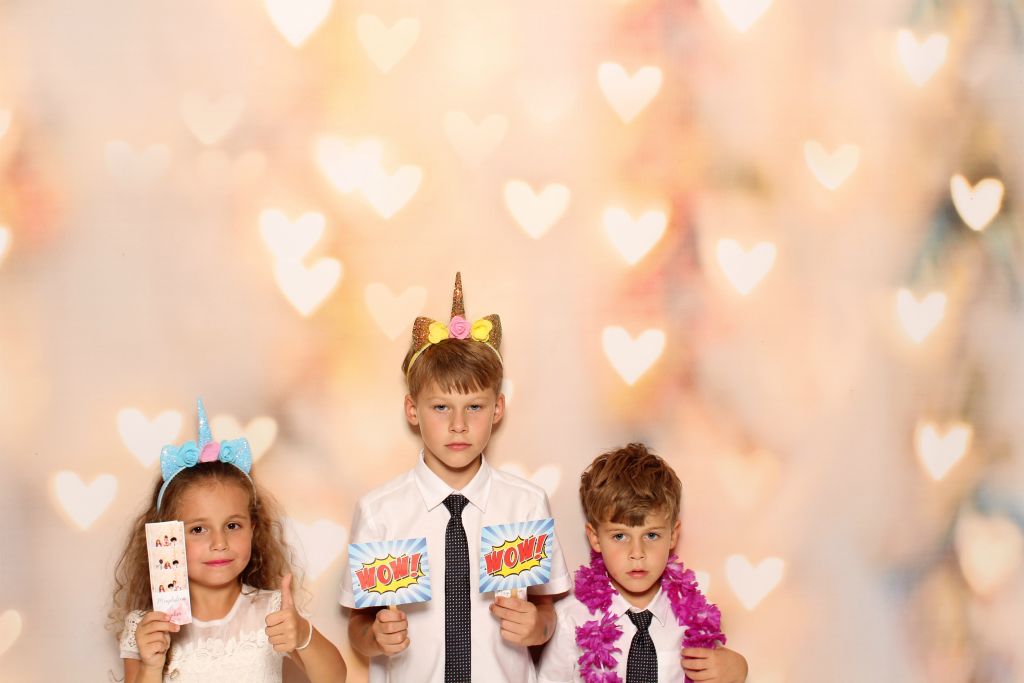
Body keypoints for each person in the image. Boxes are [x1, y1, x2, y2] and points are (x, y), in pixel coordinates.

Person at [341, 273, 571, 682]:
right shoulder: (380, 512)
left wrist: (537, 626)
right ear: (412, 410)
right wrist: (375, 637)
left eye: (475, 407)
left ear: (498, 409)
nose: (459, 425)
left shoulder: (526, 504)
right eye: (441, 407)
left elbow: (547, 608)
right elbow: (358, 623)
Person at [110, 399, 347, 682]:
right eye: (199, 529)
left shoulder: (272, 611)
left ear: (253, 529)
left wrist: (303, 634)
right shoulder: (146, 627)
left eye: (232, 525)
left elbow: (334, 677)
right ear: (166, 538)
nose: (219, 542)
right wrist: (150, 667)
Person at [538, 443, 749, 682]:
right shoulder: (570, 620)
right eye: (620, 536)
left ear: (673, 535)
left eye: (651, 535)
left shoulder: (694, 620)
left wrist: (739, 670)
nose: (637, 553)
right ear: (595, 538)